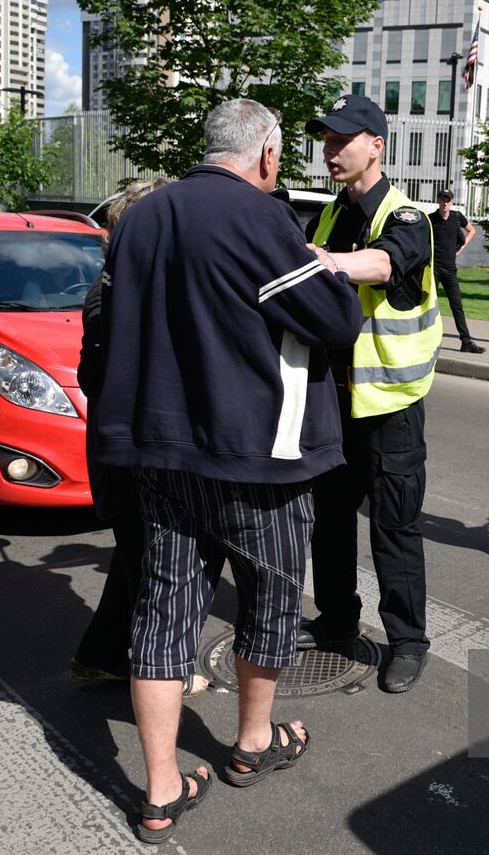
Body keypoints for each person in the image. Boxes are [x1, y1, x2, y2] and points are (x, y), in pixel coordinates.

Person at [96, 99, 364, 842]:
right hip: (258, 457)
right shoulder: (262, 218)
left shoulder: (141, 216)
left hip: (162, 450)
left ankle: (158, 788)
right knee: (271, 597)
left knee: (163, 607)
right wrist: (326, 268)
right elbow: (336, 322)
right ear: (268, 156)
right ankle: (252, 742)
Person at [299, 94, 443, 694]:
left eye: (343, 140)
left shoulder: (408, 217)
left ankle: (408, 641)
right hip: (333, 403)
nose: (331, 151)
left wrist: (319, 261)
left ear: (377, 144)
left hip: (389, 406)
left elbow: (383, 267)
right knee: (330, 523)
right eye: (326, 141)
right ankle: (336, 623)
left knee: (395, 528)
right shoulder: (329, 216)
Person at [71, 176, 218, 698]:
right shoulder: (110, 294)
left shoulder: (132, 287)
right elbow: (100, 379)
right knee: (157, 577)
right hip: (126, 457)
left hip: (132, 454)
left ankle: (99, 656)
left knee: (136, 563)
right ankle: (165, 674)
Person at [428, 189, 484, 353]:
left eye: (448, 200)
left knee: (457, 305)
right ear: (438, 200)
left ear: (451, 202)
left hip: (450, 269)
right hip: (434, 268)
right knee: (430, 304)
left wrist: (460, 249)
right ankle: (425, 339)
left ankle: (466, 342)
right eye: (442, 199)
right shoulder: (430, 219)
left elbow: (472, 230)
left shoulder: (456, 217)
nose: (445, 203)